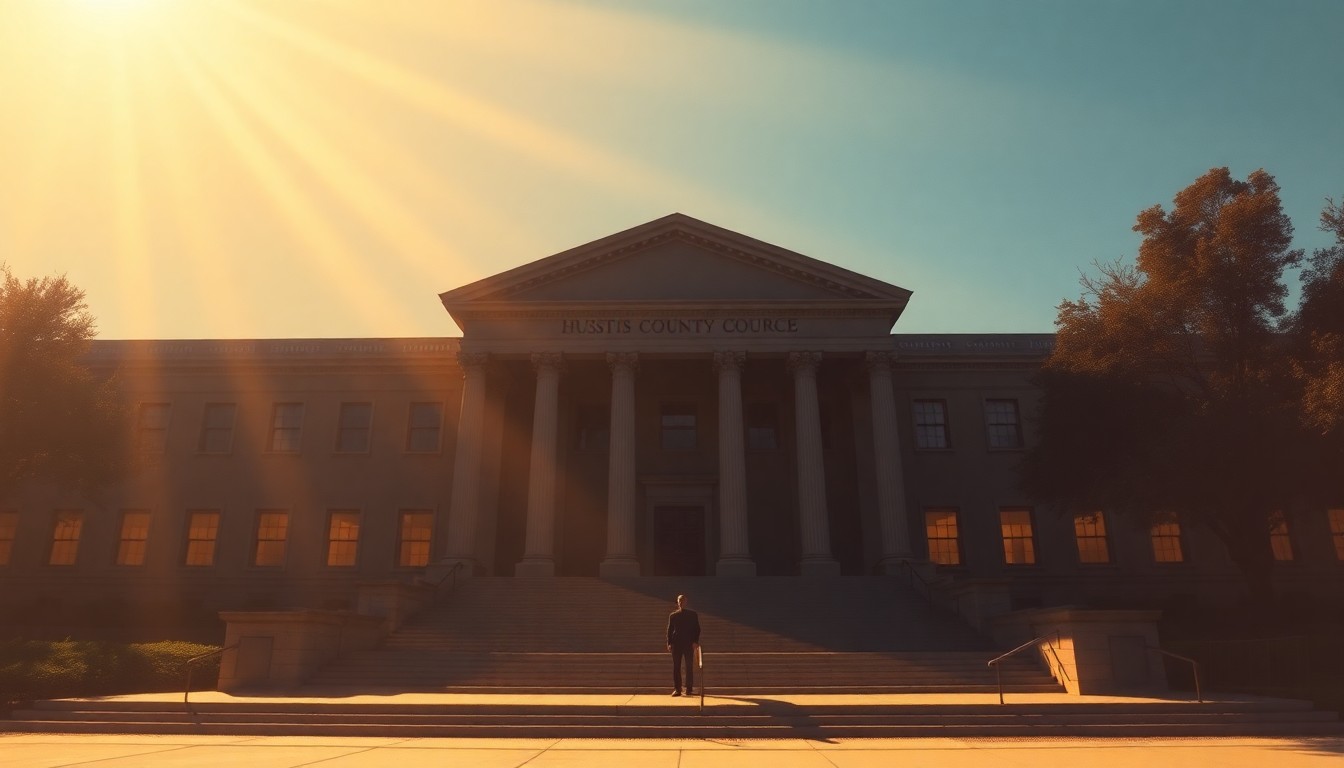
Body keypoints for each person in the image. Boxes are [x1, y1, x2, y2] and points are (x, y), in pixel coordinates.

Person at [665, 593, 701, 697]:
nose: (681, 603)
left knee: (689, 666)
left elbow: (697, 629)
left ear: (686, 602)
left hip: (689, 643)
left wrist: (695, 641)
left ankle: (689, 689)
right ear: (677, 602)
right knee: (676, 666)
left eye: (683, 601)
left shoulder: (692, 614)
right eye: (679, 601)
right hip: (677, 644)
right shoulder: (673, 616)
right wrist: (669, 643)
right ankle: (677, 689)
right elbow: (670, 630)